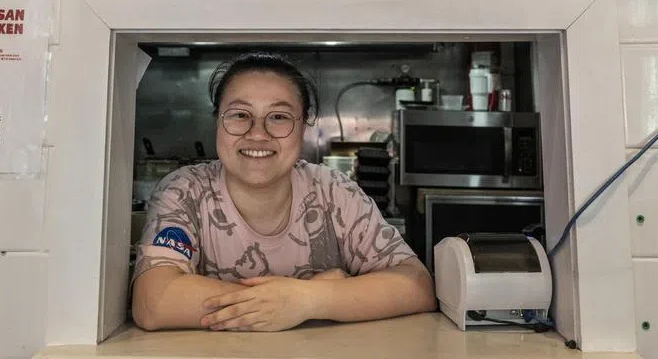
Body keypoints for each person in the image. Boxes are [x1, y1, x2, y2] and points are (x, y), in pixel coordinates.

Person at [131, 52, 436, 332]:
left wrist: (310, 300)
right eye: (239, 115)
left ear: (303, 127)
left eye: (278, 117)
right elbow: (153, 302)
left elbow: (416, 285)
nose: (258, 133)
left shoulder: (334, 192)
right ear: (217, 122)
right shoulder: (185, 191)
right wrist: (295, 299)